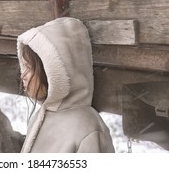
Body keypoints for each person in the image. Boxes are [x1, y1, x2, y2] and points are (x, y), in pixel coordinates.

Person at [17, 17, 115, 153]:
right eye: (24, 67)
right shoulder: (42, 116)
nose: (23, 75)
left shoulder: (86, 129)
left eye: (30, 68)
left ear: (52, 71)